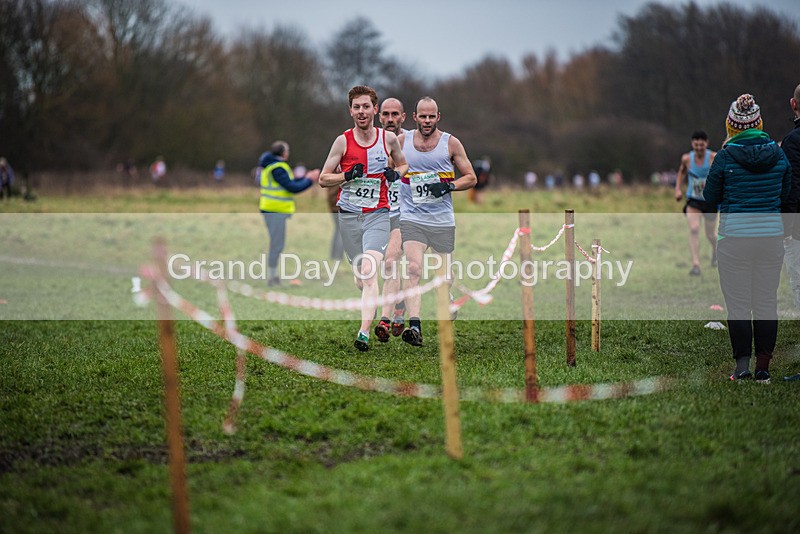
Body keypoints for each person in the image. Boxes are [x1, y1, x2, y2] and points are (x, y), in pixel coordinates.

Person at [703, 93, 791, 383]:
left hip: (735, 240)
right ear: (759, 123)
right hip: (770, 238)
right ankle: (763, 367)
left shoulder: (724, 157)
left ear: (731, 126)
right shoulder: (779, 155)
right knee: (766, 301)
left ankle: (742, 367)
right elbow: (786, 193)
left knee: (738, 304)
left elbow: (709, 196)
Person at [319, 85, 408, 352]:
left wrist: (397, 174)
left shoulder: (387, 140)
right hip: (349, 217)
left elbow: (402, 164)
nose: (361, 111)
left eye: (366, 106)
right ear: (351, 111)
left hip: (378, 215)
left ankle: (364, 332)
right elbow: (324, 178)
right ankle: (386, 303)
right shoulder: (342, 141)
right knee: (361, 278)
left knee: (370, 273)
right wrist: (346, 176)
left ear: (374, 110)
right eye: (356, 107)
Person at [397, 96, 477, 347]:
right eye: (423, 116)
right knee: (413, 269)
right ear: (415, 117)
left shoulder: (450, 143)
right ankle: (415, 326)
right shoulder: (403, 141)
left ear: (438, 117)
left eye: (432, 116)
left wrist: (448, 186)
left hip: (441, 220)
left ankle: (449, 300)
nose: (427, 121)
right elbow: (386, 168)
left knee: (444, 278)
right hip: (411, 217)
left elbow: (471, 177)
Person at [374, 97, 412, 342]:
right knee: (364, 277)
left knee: (391, 263)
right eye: (385, 114)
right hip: (376, 214)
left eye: (394, 114)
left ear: (403, 117)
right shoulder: (371, 140)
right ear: (380, 117)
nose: (390, 118)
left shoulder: (412, 141)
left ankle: (385, 320)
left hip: (404, 213)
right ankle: (399, 303)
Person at [259, 140, 318, 286]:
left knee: (276, 244)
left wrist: (304, 177)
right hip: (275, 210)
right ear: (284, 153)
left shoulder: (273, 166)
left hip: (272, 209)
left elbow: (291, 181)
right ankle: (272, 278)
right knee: (277, 244)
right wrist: (309, 180)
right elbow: (292, 187)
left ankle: (272, 276)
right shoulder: (278, 168)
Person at [675, 131, 719, 275]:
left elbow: (721, 175)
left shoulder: (713, 157)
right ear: (692, 143)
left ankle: (715, 250)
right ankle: (696, 264)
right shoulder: (687, 159)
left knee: (711, 235)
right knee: (694, 229)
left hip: (710, 202)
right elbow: (681, 172)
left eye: (702, 144)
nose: (699, 147)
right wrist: (678, 190)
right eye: (696, 144)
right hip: (693, 200)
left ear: (707, 144)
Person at [781, 83, 800, 315]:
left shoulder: (792, 141)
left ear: (793, 104)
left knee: (797, 275)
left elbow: (791, 186)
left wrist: (785, 225)